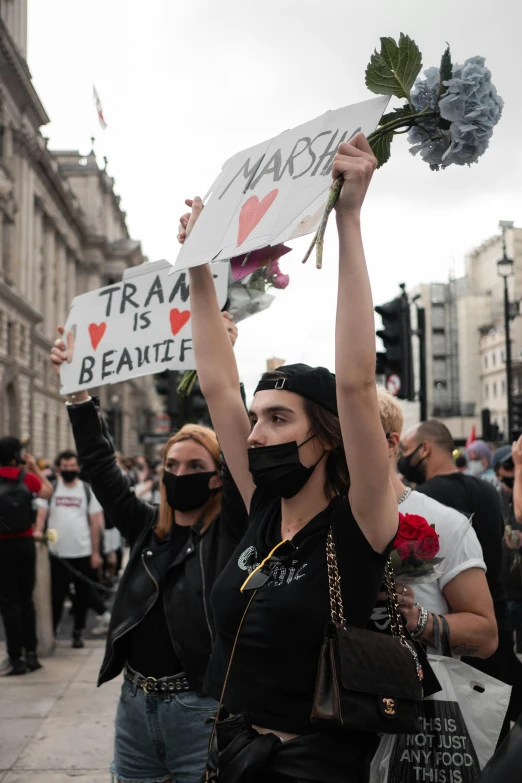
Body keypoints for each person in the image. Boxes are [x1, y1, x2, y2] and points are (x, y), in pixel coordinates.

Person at [179, 134, 401, 782]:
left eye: (279, 418)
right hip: (231, 757)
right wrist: (198, 264)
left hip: (314, 766)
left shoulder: (358, 524)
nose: (255, 434)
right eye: (256, 420)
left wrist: (349, 221)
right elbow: (220, 383)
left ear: (326, 435)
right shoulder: (261, 510)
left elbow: (359, 385)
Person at [49, 316, 248, 783]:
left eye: (195, 465)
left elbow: (239, 444)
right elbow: (100, 466)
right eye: (172, 464)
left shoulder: (232, 532)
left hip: (201, 711)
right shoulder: (144, 527)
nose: (180, 473)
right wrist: (78, 395)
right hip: (134, 706)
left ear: (219, 475)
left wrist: (222, 361)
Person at [399, 420, 522, 741]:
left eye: (405, 450)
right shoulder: (487, 490)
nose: (401, 457)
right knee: (495, 731)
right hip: (498, 618)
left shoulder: (424, 505)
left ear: (424, 449)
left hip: (457, 638)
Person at [372, 388, 497, 658]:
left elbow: (486, 638)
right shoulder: (322, 522)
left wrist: (418, 619)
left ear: (390, 444)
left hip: (421, 694)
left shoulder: (445, 522)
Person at [34, 450, 108, 648]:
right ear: (59, 468)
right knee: (56, 595)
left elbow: (94, 522)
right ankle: (53, 629)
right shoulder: (53, 488)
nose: (69, 470)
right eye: (65, 467)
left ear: (78, 467)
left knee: (83, 596)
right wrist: (39, 532)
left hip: (82, 551)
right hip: (57, 553)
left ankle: (77, 633)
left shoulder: (86, 490)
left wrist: (95, 552)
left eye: (72, 466)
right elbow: (42, 512)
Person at [0, 437, 53, 675]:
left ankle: (15, 658)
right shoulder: (26, 478)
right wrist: (34, 468)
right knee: (26, 599)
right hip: (25, 544)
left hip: (2, 547)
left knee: (8, 602)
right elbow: (47, 492)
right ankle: (32, 654)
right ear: (16, 455)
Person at [495, 441, 522, 655]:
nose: (512, 472)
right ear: (497, 472)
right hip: (502, 585)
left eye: (516, 465)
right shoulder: (491, 498)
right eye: (508, 466)